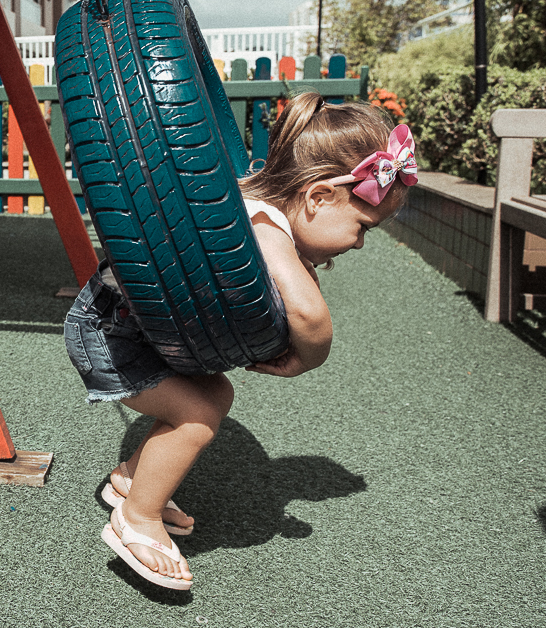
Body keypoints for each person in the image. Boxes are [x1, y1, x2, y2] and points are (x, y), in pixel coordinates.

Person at [63, 92, 418, 590]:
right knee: (196, 416)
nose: (359, 242)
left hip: (131, 324)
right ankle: (136, 519)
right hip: (112, 331)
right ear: (317, 197)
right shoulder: (264, 226)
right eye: (362, 227)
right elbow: (310, 316)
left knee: (215, 396)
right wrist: (308, 359)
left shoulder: (256, 210)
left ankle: (131, 479)